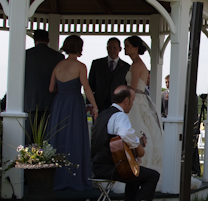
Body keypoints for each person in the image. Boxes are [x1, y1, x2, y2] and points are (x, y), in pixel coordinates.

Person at [91, 85, 160, 201]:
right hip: (109, 167)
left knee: (133, 174)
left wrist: (137, 143)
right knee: (153, 176)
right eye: (133, 100)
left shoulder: (104, 114)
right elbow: (126, 134)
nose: (133, 104)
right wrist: (139, 147)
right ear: (127, 100)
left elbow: (117, 143)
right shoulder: (119, 116)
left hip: (97, 165)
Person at [47, 35, 97, 191]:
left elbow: (51, 89)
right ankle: (75, 178)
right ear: (79, 48)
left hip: (59, 103)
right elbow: (86, 88)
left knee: (58, 137)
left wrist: (62, 91)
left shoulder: (58, 66)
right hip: (74, 103)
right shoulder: (81, 66)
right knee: (75, 137)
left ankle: (57, 177)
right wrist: (94, 105)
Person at [123, 35, 164, 175]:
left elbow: (132, 88)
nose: (125, 48)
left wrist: (125, 102)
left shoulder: (136, 65)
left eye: (127, 45)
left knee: (137, 131)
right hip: (139, 99)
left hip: (135, 100)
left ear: (135, 48)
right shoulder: (137, 64)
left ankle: (141, 165)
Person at [24, 29, 64, 135]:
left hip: (30, 101)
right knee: (48, 137)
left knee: (29, 137)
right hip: (51, 102)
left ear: (35, 40)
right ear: (48, 40)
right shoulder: (58, 57)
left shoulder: (25, 55)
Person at [87, 37, 130, 118]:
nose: (112, 50)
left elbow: (126, 87)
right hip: (99, 104)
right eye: (109, 47)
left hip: (117, 104)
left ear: (120, 49)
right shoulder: (96, 64)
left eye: (114, 48)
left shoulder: (126, 67)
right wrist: (90, 103)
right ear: (107, 48)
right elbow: (90, 85)